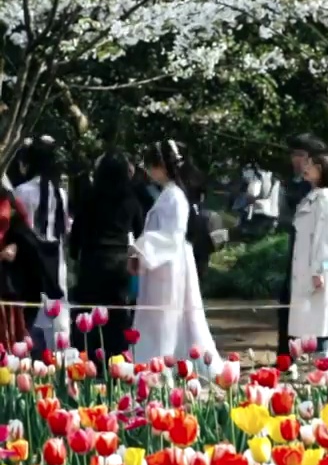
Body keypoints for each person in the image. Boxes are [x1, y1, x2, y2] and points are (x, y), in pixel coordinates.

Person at [129, 140, 220, 368]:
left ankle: (162, 364)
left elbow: (172, 235)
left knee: (165, 320)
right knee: (163, 319)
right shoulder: (170, 194)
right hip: (164, 264)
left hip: (169, 266)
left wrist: (140, 248)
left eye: (152, 165)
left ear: (161, 165)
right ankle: (161, 363)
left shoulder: (174, 196)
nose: (149, 171)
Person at [69, 152, 145, 362]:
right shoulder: (130, 199)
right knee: (117, 317)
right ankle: (116, 361)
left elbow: (76, 233)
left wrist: (75, 258)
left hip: (92, 261)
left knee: (87, 315)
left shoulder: (89, 198)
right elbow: (141, 232)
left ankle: (88, 360)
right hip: (119, 262)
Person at [13, 141, 71, 349]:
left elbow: (19, 227)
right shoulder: (60, 193)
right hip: (56, 260)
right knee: (58, 318)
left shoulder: (22, 192)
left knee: (29, 315)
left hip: (30, 260)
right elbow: (65, 228)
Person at [288, 153, 328, 357]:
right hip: (305, 267)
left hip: (317, 270)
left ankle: (327, 366)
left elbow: (327, 238)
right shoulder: (312, 197)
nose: (306, 167)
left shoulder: (326, 198)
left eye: (311, 165)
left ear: (322, 169)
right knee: (308, 327)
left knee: (318, 326)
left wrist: (319, 270)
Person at [277, 134, 326, 354]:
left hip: (315, 254)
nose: (296, 160)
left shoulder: (321, 191)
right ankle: (286, 352)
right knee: (288, 300)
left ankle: (324, 352)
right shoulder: (290, 184)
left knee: (316, 305)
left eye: (301, 155)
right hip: (296, 248)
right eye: (294, 155)